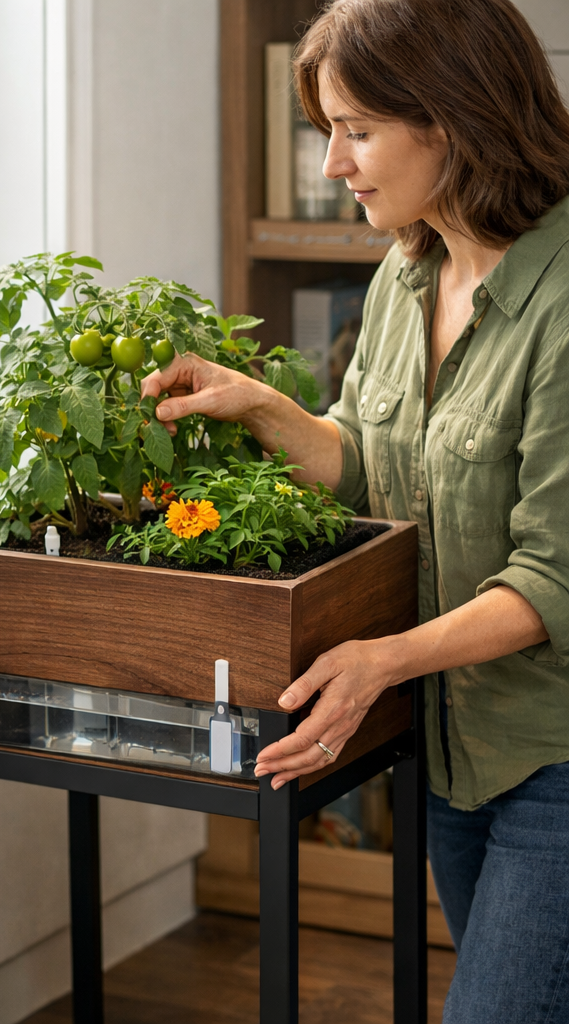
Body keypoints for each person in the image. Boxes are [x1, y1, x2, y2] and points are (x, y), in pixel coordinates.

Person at [141, 0, 569, 1018]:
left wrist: (384, 657)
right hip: (458, 748)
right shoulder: (406, 275)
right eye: (328, 130)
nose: (335, 164)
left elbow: (555, 576)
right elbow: (372, 462)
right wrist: (264, 408)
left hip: (554, 749)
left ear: (455, 119)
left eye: (358, 130)